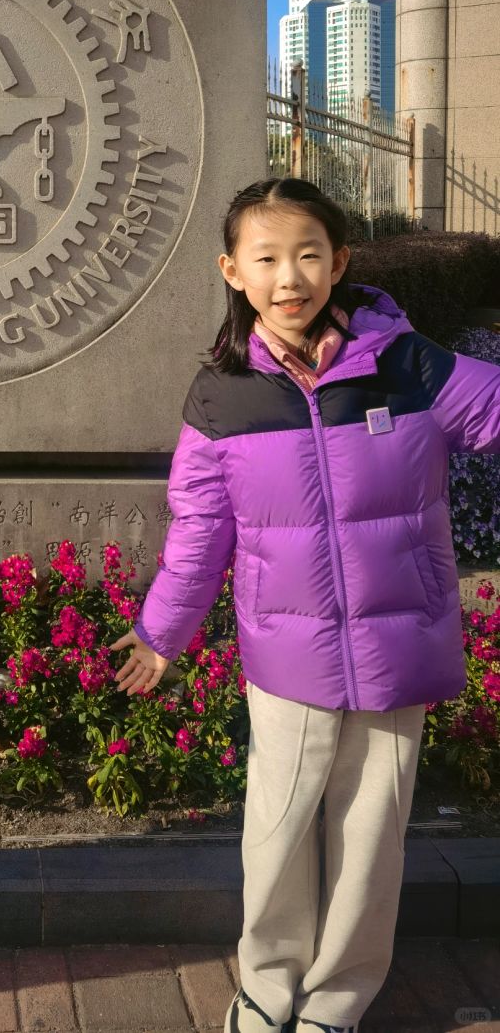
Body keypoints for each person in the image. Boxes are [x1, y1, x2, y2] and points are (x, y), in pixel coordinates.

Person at [111, 177, 500, 1033]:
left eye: (310, 255)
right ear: (235, 271)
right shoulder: (223, 397)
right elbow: (198, 532)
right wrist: (161, 630)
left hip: (401, 648)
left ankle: (336, 1000)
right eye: (268, 258)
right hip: (288, 659)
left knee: (371, 842)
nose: (291, 277)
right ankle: (267, 985)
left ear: (340, 263)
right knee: (278, 830)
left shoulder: (409, 363)